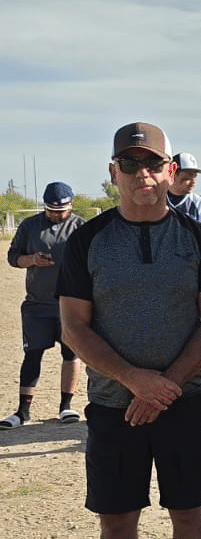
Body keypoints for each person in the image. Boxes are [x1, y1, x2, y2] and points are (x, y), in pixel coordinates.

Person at [58, 122, 201, 539]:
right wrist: (136, 381)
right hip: (115, 405)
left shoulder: (198, 239)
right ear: (113, 174)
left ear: (170, 172)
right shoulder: (87, 240)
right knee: (117, 519)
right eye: (130, 165)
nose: (143, 176)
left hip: (189, 400)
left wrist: (167, 386)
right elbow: (74, 330)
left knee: (189, 512)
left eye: (153, 164)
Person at [3, 182, 85, 428]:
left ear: (71, 205)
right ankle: (22, 411)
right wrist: (32, 260)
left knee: (70, 354)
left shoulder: (82, 227)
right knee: (32, 354)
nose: (56, 215)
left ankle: (66, 407)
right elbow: (12, 257)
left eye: (61, 210)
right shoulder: (29, 226)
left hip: (71, 304)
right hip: (37, 304)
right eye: (51, 210)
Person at [166, 152, 201, 232]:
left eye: (195, 176)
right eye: (188, 177)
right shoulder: (155, 201)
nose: (193, 182)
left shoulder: (199, 205)